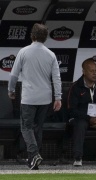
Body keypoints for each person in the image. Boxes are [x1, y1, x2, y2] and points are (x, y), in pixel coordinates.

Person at [8, 23, 62, 170]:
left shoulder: (24, 52)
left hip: (28, 98)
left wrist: (11, 90)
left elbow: (13, 74)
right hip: (45, 98)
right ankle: (33, 161)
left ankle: (34, 153)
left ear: (32, 35)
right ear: (45, 38)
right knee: (37, 128)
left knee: (26, 127)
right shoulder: (51, 54)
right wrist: (58, 98)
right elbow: (56, 78)